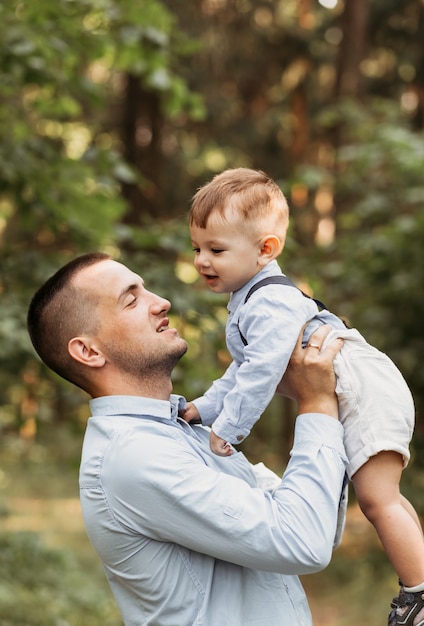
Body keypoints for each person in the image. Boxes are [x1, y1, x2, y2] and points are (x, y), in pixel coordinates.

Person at [27, 251, 349, 626]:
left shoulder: (184, 430)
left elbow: (316, 526)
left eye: (146, 289)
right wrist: (316, 404)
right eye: (131, 299)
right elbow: (301, 541)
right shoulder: (135, 457)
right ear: (88, 351)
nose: (161, 302)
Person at [184, 168, 424, 626]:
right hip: (365, 384)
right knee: (386, 497)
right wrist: (204, 407)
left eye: (216, 249)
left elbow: (259, 372)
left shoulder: (268, 302)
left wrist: (227, 428)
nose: (201, 260)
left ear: (265, 250)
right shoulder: (252, 298)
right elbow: (241, 370)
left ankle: (418, 598)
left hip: (362, 386)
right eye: (197, 248)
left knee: (376, 500)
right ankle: (421, 583)